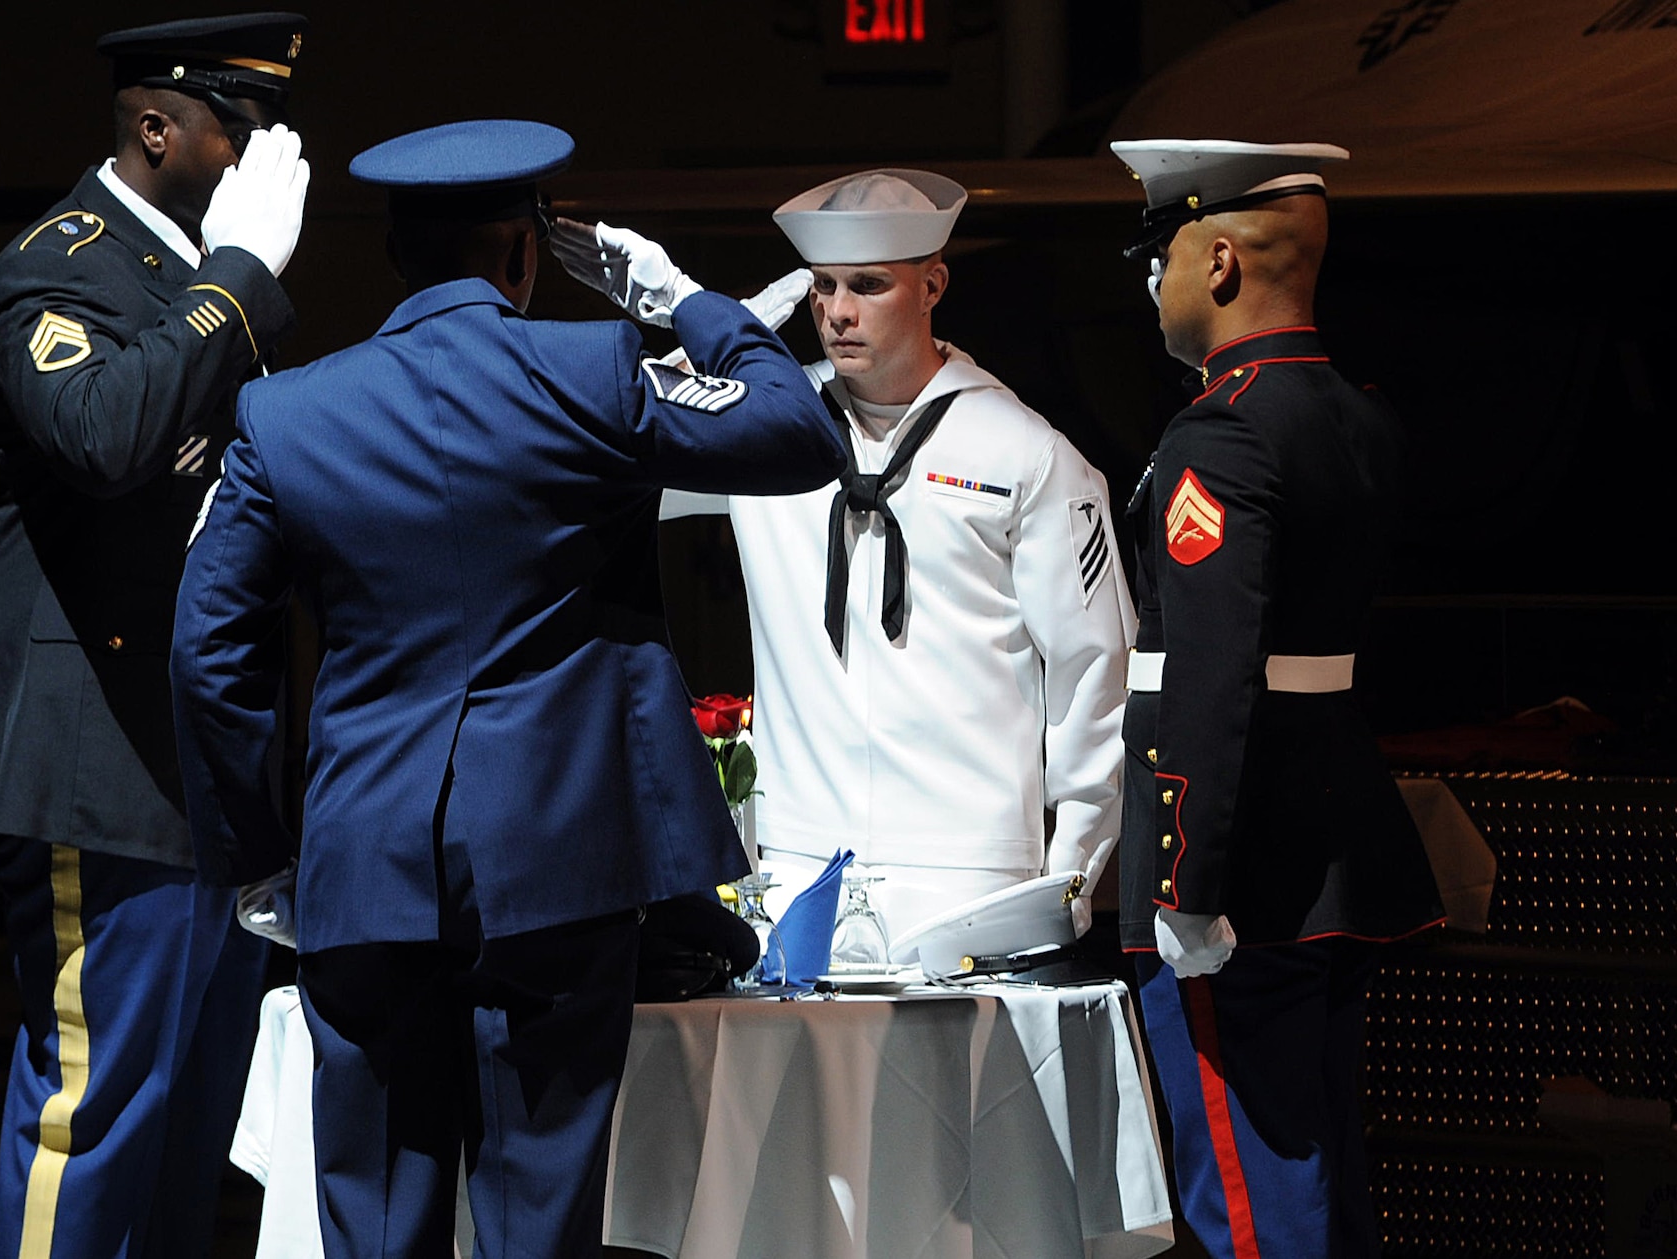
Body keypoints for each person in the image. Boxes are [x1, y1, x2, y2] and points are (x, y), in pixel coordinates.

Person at [169, 119, 843, 1259]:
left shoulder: (284, 416)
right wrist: (681, 301)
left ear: (395, 255)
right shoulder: (592, 372)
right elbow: (796, 429)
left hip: (366, 862)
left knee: (377, 1218)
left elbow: (208, 650)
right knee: (539, 1218)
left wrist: (261, 854)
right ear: (525, 253)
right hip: (556, 858)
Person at [0, 14, 310, 1258]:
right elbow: (103, 434)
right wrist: (241, 277)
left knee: (186, 1122)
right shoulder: (58, 268)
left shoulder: (199, 280)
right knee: (93, 1109)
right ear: (158, 128)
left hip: (204, 764)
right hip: (97, 766)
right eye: (241, 128)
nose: (265, 161)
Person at [559, 169, 1134, 943]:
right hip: (800, 862)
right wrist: (704, 338)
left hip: (971, 871)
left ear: (933, 285)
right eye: (823, 286)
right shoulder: (766, 433)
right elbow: (620, 462)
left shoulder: (1022, 451)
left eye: (868, 285)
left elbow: (1094, 672)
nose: (837, 312)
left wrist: (1068, 879)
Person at [1108, 139, 1445, 1258]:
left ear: (1211, 264)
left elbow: (1212, 679)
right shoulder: (1353, 413)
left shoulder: (1221, 430)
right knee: (1314, 1162)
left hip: (1239, 871)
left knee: (1244, 1193)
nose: (1147, 285)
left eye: (1154, 257)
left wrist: (1184, 882)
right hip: (1329, 844)